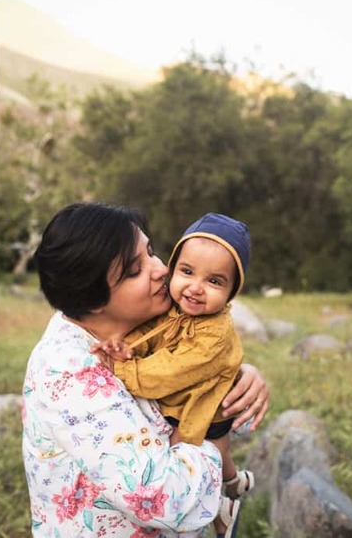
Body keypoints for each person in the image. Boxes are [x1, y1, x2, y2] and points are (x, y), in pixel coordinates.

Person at [23, 202, 269, 538]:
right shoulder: (69, 375)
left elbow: (191, 362)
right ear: (93, 298)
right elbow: (160, 497)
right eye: (135, 270)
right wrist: (213, 439)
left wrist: (236, 374)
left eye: (151, 251)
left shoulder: (129, 324)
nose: (161, 270)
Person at [91, 212, 254, 537]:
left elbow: (169, 373)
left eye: (214, 281)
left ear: (232, 291)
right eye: (187, 272)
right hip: (177, 403)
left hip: (201, 410)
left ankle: (228, 494)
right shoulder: (175, 307)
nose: (195, 288)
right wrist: (129, 348)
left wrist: (121, 367)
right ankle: (228, 495)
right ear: (175, 268)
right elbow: (150, 332)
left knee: (188, 464)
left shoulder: (214, 334)